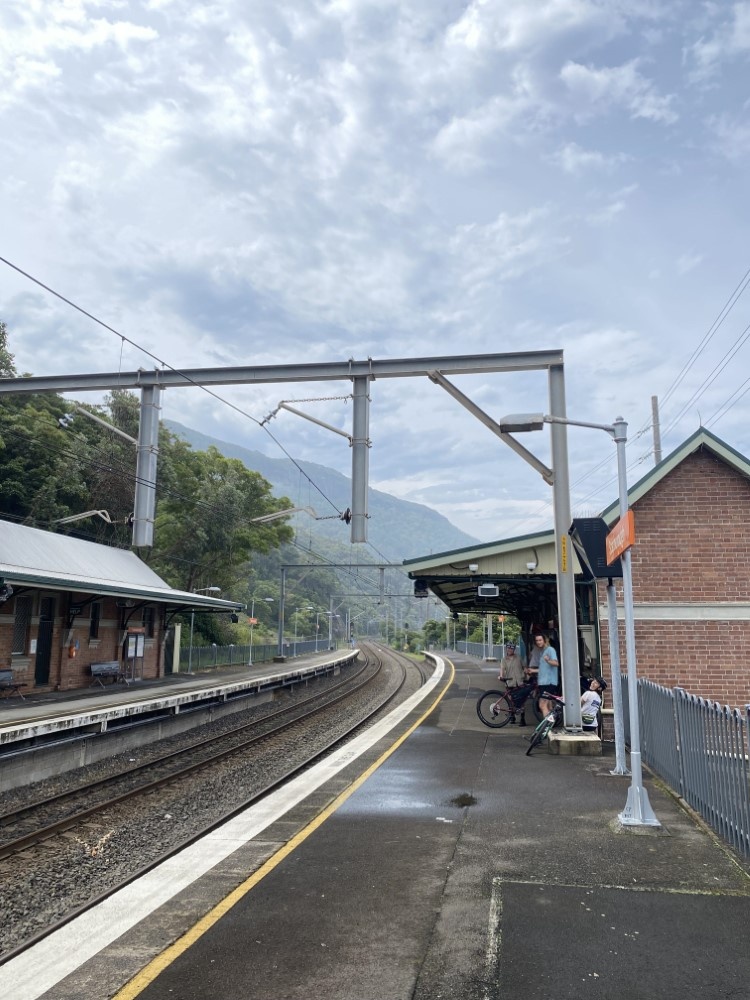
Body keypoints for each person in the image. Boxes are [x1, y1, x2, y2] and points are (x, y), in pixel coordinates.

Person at [527, 633, 560, 719]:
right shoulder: (543, 651)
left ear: (545, 640)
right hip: (543, 682)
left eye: (540, 640)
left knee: (542, 705)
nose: (538, 642)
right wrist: (533, 670)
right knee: (548, 706)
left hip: (548, 682)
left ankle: (546, 727)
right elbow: (544, 668)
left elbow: (556, 663)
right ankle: (551, 725)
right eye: (537, 640)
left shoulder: (550, 650)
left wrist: (548, 660)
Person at [498, 642, 530, 725]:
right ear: (506, 649)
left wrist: (527, 675)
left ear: (514, 649)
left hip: (519, 681)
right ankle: (512, 716)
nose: (510, 650)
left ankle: (522, 719)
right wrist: (501, 676)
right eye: (508, 648)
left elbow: (524, 667)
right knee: (511, 700)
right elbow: (502, 669)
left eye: (512, 648)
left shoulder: (518, 657)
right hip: (510, 682)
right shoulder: (504, 659)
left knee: (522, 701)